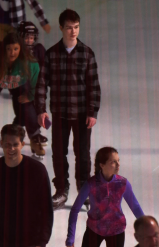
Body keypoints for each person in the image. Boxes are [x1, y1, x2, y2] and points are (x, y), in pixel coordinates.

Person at [35, 9, 102, 209]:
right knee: (58, 153)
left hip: (82, 114)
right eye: (69, 28)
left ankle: (84, 189)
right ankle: (61, 189)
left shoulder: (87, 53)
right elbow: (41, 83)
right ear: (61, 28)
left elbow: (93, 85)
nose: (73, 32)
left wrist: (92, 111)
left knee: (83, 153)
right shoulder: (51, 54)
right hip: (61, 113)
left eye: (76, 27)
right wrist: (41, 109)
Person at [0, 32, 41, 144]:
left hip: (18, 83)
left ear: (21, 49)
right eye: (9, 49)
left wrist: (31, 95)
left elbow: (37, 80)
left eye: (15, 49)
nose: (12, 53)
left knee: (26, 104)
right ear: (3, 48)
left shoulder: (28, 61)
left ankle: (35, 135)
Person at [19, 21, 49, 159]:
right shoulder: (17, 49)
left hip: (37, 87)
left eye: (31, 37)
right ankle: (34, 137)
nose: (29, 40)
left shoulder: (39, 49)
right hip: (23, 88)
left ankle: (16, 132)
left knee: (36, 111)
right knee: (28, 110)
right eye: (26, 37)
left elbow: (45, 66)